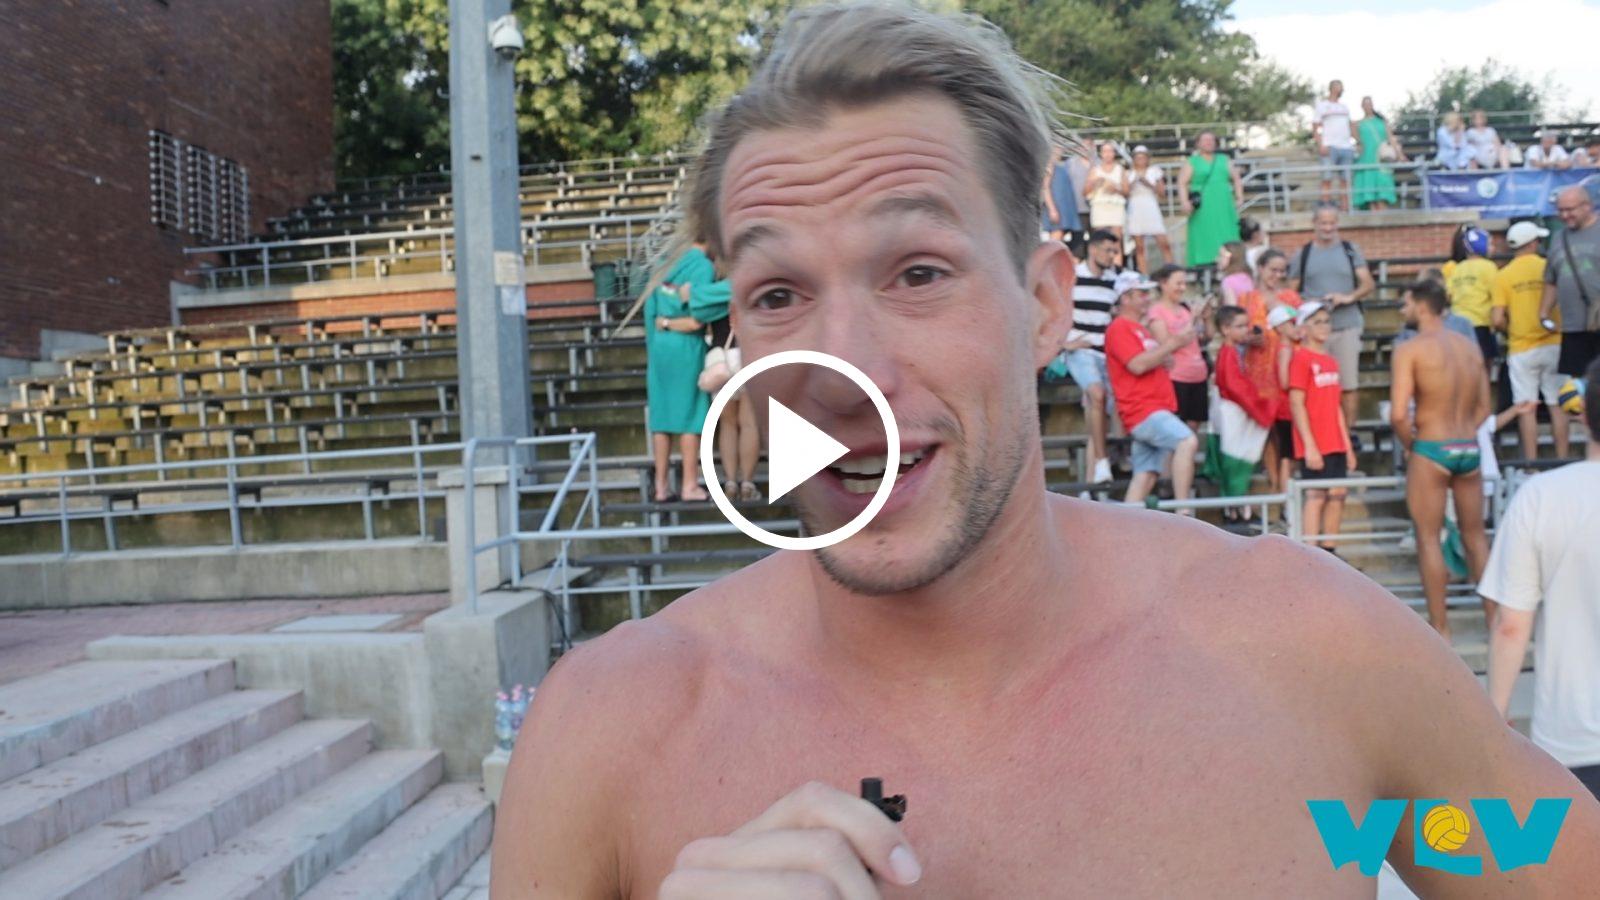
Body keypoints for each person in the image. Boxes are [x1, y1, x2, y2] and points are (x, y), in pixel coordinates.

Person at [494, 5, 1600, 896]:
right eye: (779, 294)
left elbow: (1518, 854)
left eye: (918, 274)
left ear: (1042, 306)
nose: (846, 374)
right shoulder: (611, 737)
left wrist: (1397, 822)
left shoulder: (1311, 654)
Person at [1483, 360, 1600, 802]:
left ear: (1582, 414)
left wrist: (1495, 720)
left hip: (1572, 741)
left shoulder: (1541, 496)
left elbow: (1512, 626)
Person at [1390, 279, 1493, 640]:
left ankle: (1441, 631)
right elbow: (1485, 407)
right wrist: (1462, 434)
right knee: (1476, 537)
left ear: (1422, 307)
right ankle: (1495, 625)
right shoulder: (1470, 347)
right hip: (1468, 446)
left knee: (1429, 538)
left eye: (1406, 304)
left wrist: (1413, 446)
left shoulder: (1409, 349)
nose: (1402, 310)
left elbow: (1399, 414)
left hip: (1432, 447)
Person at [1105, 271, 1199, 507]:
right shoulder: (1119, 328)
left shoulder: (1139, 328)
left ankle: (1124, 526)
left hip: (1154, 406)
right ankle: (1183, 510)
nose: (1147, 298)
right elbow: (1137, 365)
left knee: (1146, 475)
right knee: (1186, 441)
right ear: (1125, 298)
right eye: (1142, 294)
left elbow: (1151, 360)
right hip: (1143, 408)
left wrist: (1164, 355)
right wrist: (1173, 344)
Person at [1290, 204, 1375, 436]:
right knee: (1314, 386)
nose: (1328, 228)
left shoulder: (1350, 250)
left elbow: (1368, 283)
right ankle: (1319, 434)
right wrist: (1311, 304)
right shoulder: (1303, 254)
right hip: (1314, 330)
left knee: (1348, 384)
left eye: (1332, 223)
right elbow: (1291, 290)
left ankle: (1347, 436)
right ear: (1314, 224)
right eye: (1323, 223)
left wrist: (1347, 297)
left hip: (1346, 324)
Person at [644, 241, 716, 502]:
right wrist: (676, 324)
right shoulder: (703, 267)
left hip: (660, 346)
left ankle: (661, 487)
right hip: (687, 346)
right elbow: (699, 316)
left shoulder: (663, 263)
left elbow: (649, 311)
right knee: (691, 416)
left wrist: (659, 332)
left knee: (661, 416)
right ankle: (689, 485)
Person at [1494, 220, 1572, 459]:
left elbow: (1497, 318)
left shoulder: (1503, 275)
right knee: (1558, 405)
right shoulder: (1548, 267)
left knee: (1526, 408)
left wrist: (1511, 330)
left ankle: (1531, 464)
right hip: (1553, 342)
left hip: (1521, 347)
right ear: (1533, 243)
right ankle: (1562, 459)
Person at [1288, 302, 1354, 552]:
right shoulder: (1301, 358)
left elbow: (1336, 407)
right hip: (1315, 441)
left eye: (1326, 321)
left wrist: (1347, 446)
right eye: (1317, 322)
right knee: (1315, 496)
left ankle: (1330, 552)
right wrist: (1309, 446)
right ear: (1304, 327)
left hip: (1334, 441)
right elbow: (1296, 403)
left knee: (1338, 494)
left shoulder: (1330, 361)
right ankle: (1310, 554)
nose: (1324, 326)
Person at [1239, 249, 1303, 496]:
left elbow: (1302, 328)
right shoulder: (1246, 299)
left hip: (1285, 367)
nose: (1276, 275)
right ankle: (1275, 481)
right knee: (1265, 429)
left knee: (1286, 429)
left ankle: (1285, 483)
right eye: (1272, 270)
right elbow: (1236, 330)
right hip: (1257, 370)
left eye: (1281, 271)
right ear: (1260, 268)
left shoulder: (1291, 297)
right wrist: (1248, 338)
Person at [1062, 230, 1123, 485]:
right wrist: (1064, 343)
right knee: (1097, 394)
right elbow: (1049, 310)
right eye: (1108, 250)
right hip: (1080, 351)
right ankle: (1102, 462)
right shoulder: (1072, 276)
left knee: (1099, 416)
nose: (1111, 256)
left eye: (1114, 251)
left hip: (1105, 353)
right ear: (1093, 249)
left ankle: (1092, 482)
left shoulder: (1115, 280)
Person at [1210, 305, 1276, 524]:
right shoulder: (1228, 353)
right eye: (1239, 326)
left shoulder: (1232, 351)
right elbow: (1235, 386)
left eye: (1245, 325)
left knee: (1235, 462)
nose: (1244, 330)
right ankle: (1235, 509)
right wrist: (1260, 409)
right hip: (1233, 416)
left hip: (1232, 414)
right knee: (1236, 462)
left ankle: (1235, 508)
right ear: (1225, 329)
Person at [1144, 264, 1210, 435]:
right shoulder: (1157, 312)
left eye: (1184, 283)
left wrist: (1206, 318)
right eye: (1178, 283)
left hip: (1198, 374)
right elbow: (1166, 343)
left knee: (1194, 424)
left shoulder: (1185, 308)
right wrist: (1193, 319)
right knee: (1176, 427)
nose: (1182, 288)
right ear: (1163, 284)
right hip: (1176, 376)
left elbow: (1204, 337)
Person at [1541, 185, 1600, 378]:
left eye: (1570, 209)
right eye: (1560, 210)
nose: (1565, 215)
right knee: (1578, 384)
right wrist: (1544, 312)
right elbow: (1551, 279)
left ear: (1587, 206)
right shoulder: (1559, 238)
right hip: (1573, 327)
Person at [1179, 130, 1243, 266]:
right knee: (1203, 231)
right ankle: (1203, 260)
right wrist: (1184, 201)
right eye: (1205, 140)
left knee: (1226, 229)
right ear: (1198, 144)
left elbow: (1236, 179)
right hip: (1203, 203)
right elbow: (1182, 182)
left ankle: (1229, 257)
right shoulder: (1192, 162)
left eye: (1211, 140)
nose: (1209, 143)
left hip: (1223, 201)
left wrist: (1239, 197)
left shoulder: (1224, 159)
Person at [1442, 226, 1501, 371]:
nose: (1493, 248)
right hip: (1480, 324)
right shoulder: (1489, 267)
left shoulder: (1458, 268)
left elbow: (1448, 295)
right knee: (1483, 366)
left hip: (1457, 324)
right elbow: (1496, 294)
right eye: (1490, 244)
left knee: (1462, 367)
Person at [1125, 145, 1172, 270]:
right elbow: (1125, 192)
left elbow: (1162, 193)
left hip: (1151, 207)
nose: (1140, 160)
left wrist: (1149, 184)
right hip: (1135, 208)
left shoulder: (1154, 171)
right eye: (1138, 158)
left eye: (1143, 157)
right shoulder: (1128, 174)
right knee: (1139, 247)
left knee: (1164, 243)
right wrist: (1133, 182)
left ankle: (1170, 270)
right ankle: (1144, 274)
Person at [1312, 80, 1355, 210]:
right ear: (1332, 88)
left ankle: (1345, 206)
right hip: (1329, 147)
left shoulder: (1344, 107)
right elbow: (1315, 127)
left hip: (1346, 147)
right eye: (1339, 87)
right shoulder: (1322, 106)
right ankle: (1325, 206)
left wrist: (1356, 142)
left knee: (1345, 179)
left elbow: (1350, 126)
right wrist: (1321, 144)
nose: (1341, 89)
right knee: (1327, 177)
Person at [1351, 97, 1399, 211]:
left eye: (1369, 104)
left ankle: (1382, 214)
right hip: (1366, 157)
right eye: (1365, 104)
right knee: (1369, 194)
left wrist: (1399, 154)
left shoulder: (1382, 122)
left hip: (1381, 158)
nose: (1368, 106)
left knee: (1382, 190)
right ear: (1362, 107)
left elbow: (1391, 138)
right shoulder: (1359, 124)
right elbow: (1356, 138)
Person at [1084, 140, 1128, 242]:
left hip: (1116, 207)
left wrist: (1116, 190)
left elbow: (1127, 192)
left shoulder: (1120, 170)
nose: (1107, 154)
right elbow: (1085, 192)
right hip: (1100, 208)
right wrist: (1095, 184)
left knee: (1116, 240)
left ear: (1114, 153)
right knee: (1100, 240)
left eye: (1110, 151)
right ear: (1101, 153)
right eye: (1105, 151)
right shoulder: (1095, 170)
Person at [1040, 143, 1081, 244]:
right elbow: (1045, 188)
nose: (1058, 151)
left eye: (1060, 148)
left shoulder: (1060, 165)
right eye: (1056, 148)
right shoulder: (1049, 165)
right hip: (1056, 208)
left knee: (1060, 238)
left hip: (1063, 209)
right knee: (1055, 240)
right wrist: (1052, 209)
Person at [1216, 241, 1254, 308]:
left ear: (1232, 258)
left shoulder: (1228, 281)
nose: (1217, 259)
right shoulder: (1250, 277)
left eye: (1221, 256)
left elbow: (1231, 308)